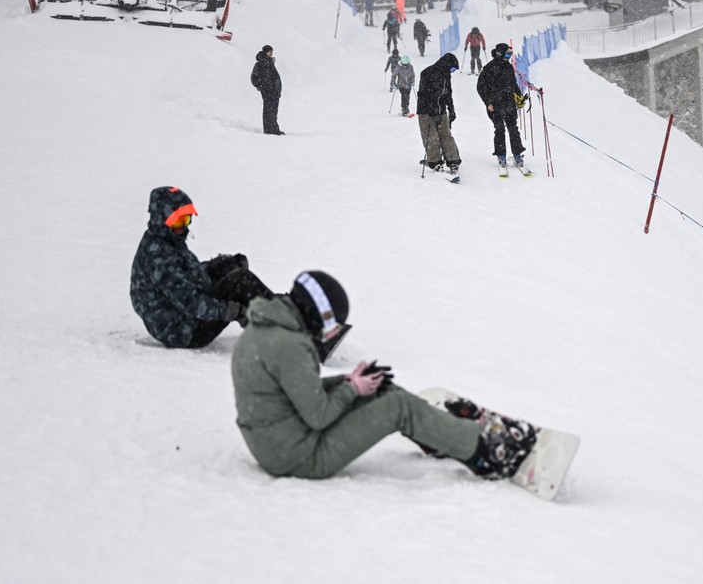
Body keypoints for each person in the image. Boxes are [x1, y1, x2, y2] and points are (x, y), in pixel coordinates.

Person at [230, 270, 536, 481]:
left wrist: (350, 382)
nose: (327, 335)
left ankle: (438, 436)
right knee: (399, 408)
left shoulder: (266, 329)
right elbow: (318, 416)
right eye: (330, 326)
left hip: (281, 442)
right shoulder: (290, 345)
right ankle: (485, 455)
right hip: (298, 457)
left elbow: (289, 393)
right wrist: (352, 388)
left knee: (380, 389)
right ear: (315, 313)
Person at [129, 186, 266, 349]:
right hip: (186, 331)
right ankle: (280, 323)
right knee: (240, 281)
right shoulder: (158, 256)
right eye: (178, 221)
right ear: (161, 219)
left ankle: (278, 314)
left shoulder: (166, 239)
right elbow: (188, 300)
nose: (183, 227)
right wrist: (228, 310)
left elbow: (184, 275)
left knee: (230, 269)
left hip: (187, 317)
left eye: (186, 219)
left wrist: (214, 267)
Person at [476, 42, 528, 168]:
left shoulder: (508, 67)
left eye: (510, 54)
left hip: (509, 103)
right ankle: (501, 155)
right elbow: (480, 87)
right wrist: (488, 103)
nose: (508, 57)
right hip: (495, 105)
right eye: (507, 54)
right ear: (500, 53)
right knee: (499, 129)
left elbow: (513, 83)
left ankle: (517, 154)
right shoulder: (489, 68)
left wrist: (519, 96)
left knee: (513, 128)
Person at [416, 52, 462, 176]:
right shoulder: (427, 72)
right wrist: (429, 107)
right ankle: (435, 161)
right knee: (431, 137)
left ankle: (453, 160)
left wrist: (451, 109)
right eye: (452, 69)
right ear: (446, 64)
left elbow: (448, 93)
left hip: (441, 110)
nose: (451, 72)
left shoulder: (446, 75)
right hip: (426, 112)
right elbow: (423, 93)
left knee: (446, 135)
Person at [250, 45, 283, 135]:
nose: (271, 53)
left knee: (273, 111)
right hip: (269, 92)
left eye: (272, 51)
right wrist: (269, 89)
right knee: (270, 111)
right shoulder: (263, 63)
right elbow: (265, 78)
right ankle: (271, 130)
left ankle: (272, 129)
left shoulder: (269, 62)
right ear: (265, 52)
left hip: (274, 92)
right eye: (269, 52)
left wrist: (276, 90)